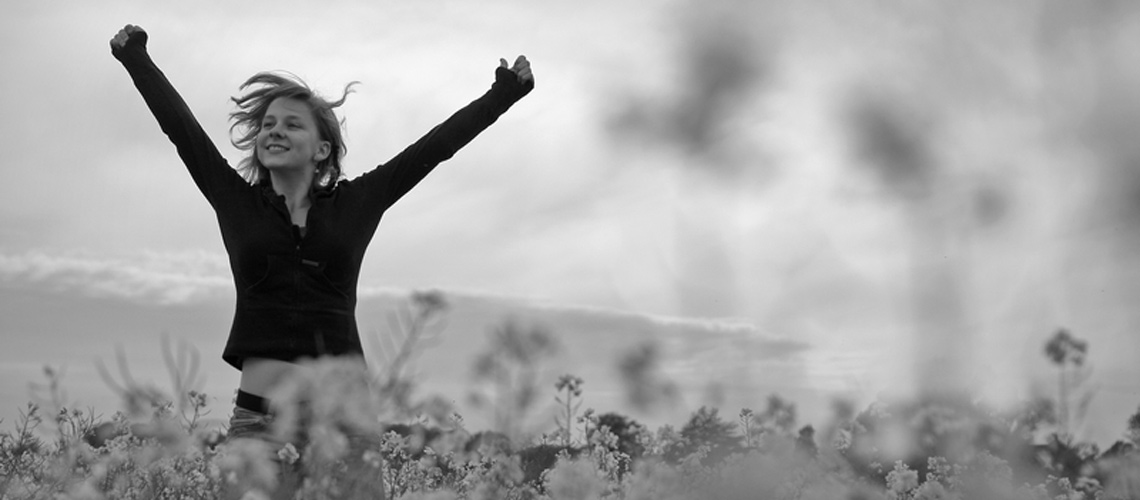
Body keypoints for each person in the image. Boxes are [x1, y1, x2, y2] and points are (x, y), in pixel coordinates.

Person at [109, 24, 534, 498]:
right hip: (258, 427)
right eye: (268, 124)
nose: (274, 131)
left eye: (292, 124)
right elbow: (181, 129)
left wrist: (503, 96)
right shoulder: (235, 201)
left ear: (323, 148)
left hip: (347, 429)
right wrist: (136, 58)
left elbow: (433, 149)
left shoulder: (359, 202)